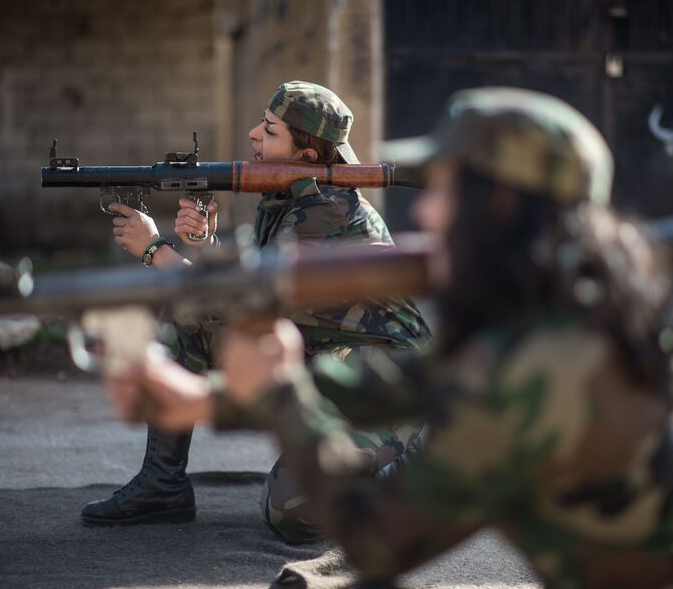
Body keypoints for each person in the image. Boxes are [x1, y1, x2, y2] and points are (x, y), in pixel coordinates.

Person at [106, 87, 673, 587]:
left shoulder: (534, 369)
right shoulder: (559, 317)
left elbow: (378, 539)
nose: (422, 211)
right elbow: (406, 380)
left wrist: (277, 394)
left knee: (300, 506)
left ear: (499, 210)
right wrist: (212, 403)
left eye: (445, 191)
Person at [83, 81, 431, 544]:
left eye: (269, 131)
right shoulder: (292, 196)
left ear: (307, 156)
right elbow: (258, 293)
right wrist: (204, 245)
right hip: (327, 357)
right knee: (193, 310)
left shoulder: (326, 211)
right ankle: (163, 485)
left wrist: (155, 250)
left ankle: (416, 478)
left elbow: (252, 295)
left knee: (294, 509)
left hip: (388, 384)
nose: (252, 135)